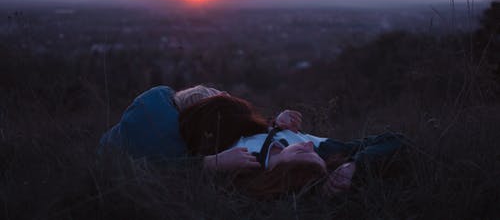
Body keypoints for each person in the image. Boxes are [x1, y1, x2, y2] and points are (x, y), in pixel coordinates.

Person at [180, 94, 408, 197]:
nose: (309, 144)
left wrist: (209, 164)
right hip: (233, 112)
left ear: (283, 169)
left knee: (187, 99)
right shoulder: (327, 153)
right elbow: (396, 140)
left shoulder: (241, 164)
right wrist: (354, 166)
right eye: (312, 151)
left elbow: (173, 165)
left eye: (302, 151)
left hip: (211, 116)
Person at [98, 85, 302, 169]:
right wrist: (212, 162)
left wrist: (273, 125)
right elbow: (169, 168)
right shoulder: (170, 142)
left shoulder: (156, 100)